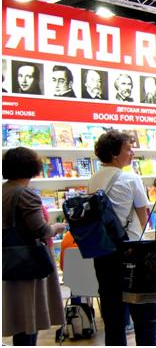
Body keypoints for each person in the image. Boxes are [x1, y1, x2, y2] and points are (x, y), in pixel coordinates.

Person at [89, 130, 156, 345]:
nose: (132, 152)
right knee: (144, 314)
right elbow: (143, 216)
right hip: (131, 251)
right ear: (114, 153)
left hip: (103, 251)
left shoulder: (94, 178)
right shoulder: (130, 177)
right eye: (128, 148)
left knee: (113, 315)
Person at [2, 147, 66, 346]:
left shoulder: (4, 190)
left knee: (19, 315)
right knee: (30, 315)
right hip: (29, 261)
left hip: (11, 259)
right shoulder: (25, 194)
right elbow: (41, 230)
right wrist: (56, 228)